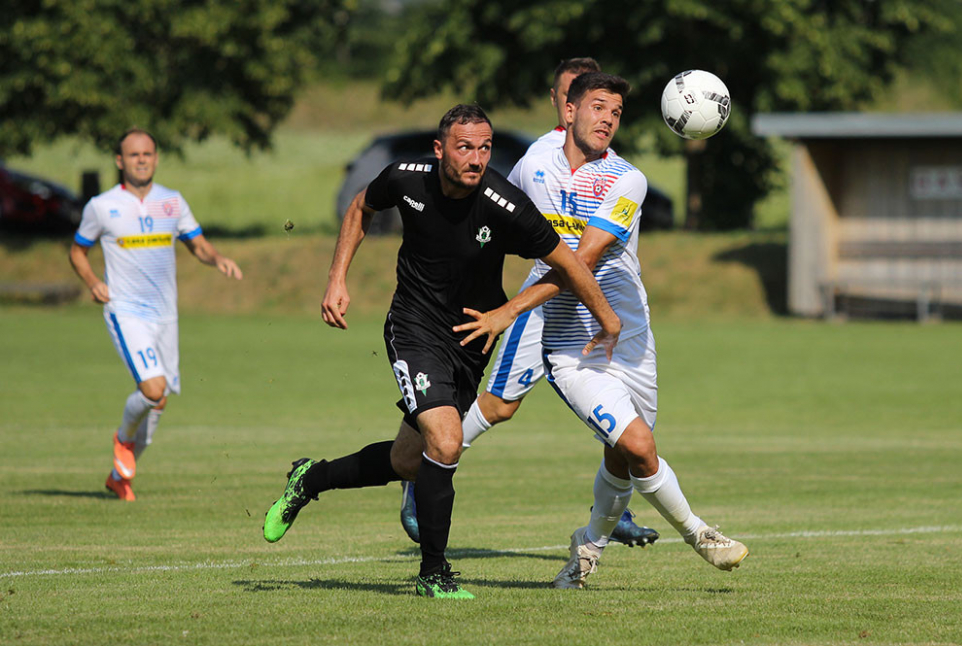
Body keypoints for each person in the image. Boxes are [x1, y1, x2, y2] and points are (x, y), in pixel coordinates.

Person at [262, 104, 621, 600]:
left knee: (409, 460)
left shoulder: (504, 203)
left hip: (471, 340)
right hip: (412, 328)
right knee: (447, 442)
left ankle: (310, 478)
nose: (476, 158)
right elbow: (360, 206)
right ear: (439, 149)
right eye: (464, 147)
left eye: (484, 148)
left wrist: (546, 314)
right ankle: (434, 574)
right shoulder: (406, 179)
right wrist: (337, 277)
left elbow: (570, 263)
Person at [486, 72, 750, 587]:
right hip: (572, 351)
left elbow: (580, 261)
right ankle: (701, 534)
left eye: (617, 112)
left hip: (630, 341)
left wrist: (510, 309)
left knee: (623, 457)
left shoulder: (627, 180)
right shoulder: (532, 168)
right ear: (568, 112)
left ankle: (586, 551)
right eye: (598, 106)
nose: (608, 117)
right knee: (639, 445)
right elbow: (493, 224)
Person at [398, 57, 659, 549]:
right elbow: (492, 214)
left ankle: (612, 511)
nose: (572, 107)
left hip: (595, 304)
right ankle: (424, 465)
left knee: (622, 413)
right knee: (498, 405)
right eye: (567, 97)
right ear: (561, 103)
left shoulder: (616, 171)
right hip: (541, 303)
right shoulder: (537, 159)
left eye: (601, 105)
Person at [69, 128, 243, 501]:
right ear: (120, 161)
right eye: (133, 155)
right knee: (153, 389)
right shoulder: (101, 206)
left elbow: (197, 244)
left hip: (166, 315)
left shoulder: (172, 202)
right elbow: (77, 251)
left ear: (156, 158)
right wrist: (92, 282)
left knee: (159, 400)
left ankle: (119, 476)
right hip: (126, 310)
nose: (141, 159)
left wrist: (219, 259)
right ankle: (122, 439)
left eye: (147, 153)